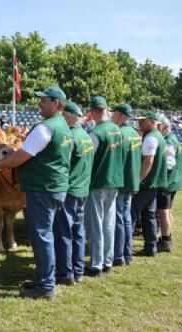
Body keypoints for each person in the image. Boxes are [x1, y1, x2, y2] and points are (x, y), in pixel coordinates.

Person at [0, 86, 72, 299]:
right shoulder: (63, 126)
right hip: (55, 187)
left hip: (42, 189)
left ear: (57, 104)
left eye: (44, 100)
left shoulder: (45, 128)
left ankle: (45, 286)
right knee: (47, 235)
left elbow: (22, 156)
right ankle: (45, 278)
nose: (39, 103)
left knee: (42, 236)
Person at [53, 102, 94, 285]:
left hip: (70, 190)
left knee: (63, 232)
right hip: (82, 189)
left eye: (62, 115)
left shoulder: (70, 137)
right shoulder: (86, 136)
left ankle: (65, 272)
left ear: (68, 116)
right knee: (78, 231)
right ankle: (77, 270)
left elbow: (64, 164)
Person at [84, 96, 123, 277]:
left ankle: (96, 264)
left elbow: (87, 161)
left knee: (96, 224)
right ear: (106, 110)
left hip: (98, 182)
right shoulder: (117, 130)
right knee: (109, 222)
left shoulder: (95, 133)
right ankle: (107, 260)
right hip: (114, 181)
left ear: (92, 112)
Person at [132, 111, 167, 257]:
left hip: (147, 184)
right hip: (154, 183)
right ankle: (150, 247)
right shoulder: (159, 136)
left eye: (143, 121)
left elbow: (148, 161)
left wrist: (137, 181)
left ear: (153, 122)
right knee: (149, 215)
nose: (140, 123)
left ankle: (124, 247)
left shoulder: (151, 138)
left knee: (132, 213)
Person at [111, 104, 141, 266]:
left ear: (120, 115)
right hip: (131, 181)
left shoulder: (120, 134)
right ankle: (127, 253)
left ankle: (119, 255)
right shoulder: (135, 133)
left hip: (121, 182)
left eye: (114, 113)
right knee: (126, 217)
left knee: (119, 219)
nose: (112, 116)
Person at [155, 114, 180, 252]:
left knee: (163, 211)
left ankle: (165, 241)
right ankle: (167, 236)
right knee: (168, 211)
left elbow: (169, 164)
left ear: (165, 126)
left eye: (159, 126)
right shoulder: (173, 139)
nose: (157, 128)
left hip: (167, 182)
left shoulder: (169, 141)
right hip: (173, 181)